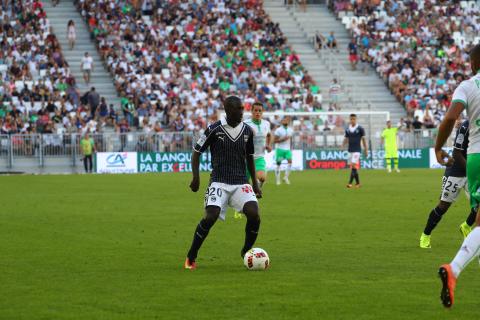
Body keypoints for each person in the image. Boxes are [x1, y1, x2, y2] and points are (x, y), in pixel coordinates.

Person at [184, 96, 262, 270]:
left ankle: (246, 252)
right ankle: (191, 255)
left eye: (243, 108)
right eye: (238, 109)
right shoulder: (214, 129)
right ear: (228, 110)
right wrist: (196, 177)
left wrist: (255, 185)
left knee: (254, 214)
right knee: (210, 216)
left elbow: (250, 158)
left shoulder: (248, 131)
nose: (242, 112)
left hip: (241, 182)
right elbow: (197, 152)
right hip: (218, 182)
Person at [435, 44, 480, 308]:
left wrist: (438, 146)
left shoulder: (467, 85)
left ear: (473, 64)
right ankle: (453, 269)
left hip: (475, 158)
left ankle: (454, 270)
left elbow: (451, 117)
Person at [420, 120, 475, 249]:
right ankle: (425, 235)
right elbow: (457, 153)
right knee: (443, 206)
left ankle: (466, 226)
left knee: (478, 204)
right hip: (456, 171)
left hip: (472, 171)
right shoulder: (465, 127)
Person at [244, 102, 272, 188]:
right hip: (246, 158)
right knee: (244, 184)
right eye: (255, 110)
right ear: (251, 111)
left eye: (260, 111)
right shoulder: (246, 124)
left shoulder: (266, 124)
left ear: (262, 112)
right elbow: (241, 140)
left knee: (262, 178)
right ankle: (253, 191)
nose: (258, 113)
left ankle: (257, 188)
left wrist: (268, 145)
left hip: (259, 157)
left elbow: (269, 135)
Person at [342, 114, 368, 188]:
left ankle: (349, 183)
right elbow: (346, 138)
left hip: (357, 150)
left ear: (356, 119)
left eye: (354, 119)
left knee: (353, 165)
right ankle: (358, 183)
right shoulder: (347, 129)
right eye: (351, 119)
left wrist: (366, 149)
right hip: (350, 150)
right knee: (353, 167)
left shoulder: (360, 128)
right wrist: (342, 145)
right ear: (349, 120)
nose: (352, 120)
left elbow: (363, 140)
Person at [274, 117, 293, 185]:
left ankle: (285, 177)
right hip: (280, 149)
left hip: (287, 149)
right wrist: (283, 139)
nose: (286, 121)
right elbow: (275, 141)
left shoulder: (290, 130)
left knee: (290, 162)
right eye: (284, 120)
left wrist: (291, 148)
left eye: (287, 120)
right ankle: (278, 180)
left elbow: (291, 140)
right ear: (282, 122)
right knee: (278, 164)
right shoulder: (278, 130)